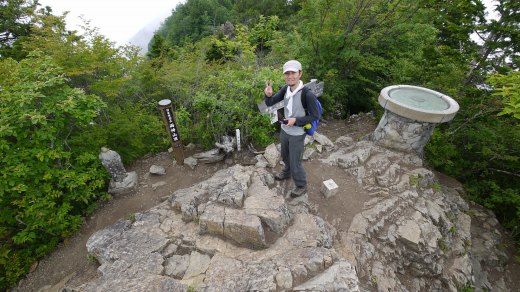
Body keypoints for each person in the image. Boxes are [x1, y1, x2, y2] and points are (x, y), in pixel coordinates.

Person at [264, 60, 320, 198]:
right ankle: (287, 172)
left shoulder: (307, 94)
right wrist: (268, 95)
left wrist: (296, 120)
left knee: (295, 161)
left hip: (297, 133)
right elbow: (271, 103)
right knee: (285, 155)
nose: (290, 76)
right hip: (285, 130)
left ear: (300, 73)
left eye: (293, 73)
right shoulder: (285, 89)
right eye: (287, 73)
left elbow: (315, 115)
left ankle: (301, 185)